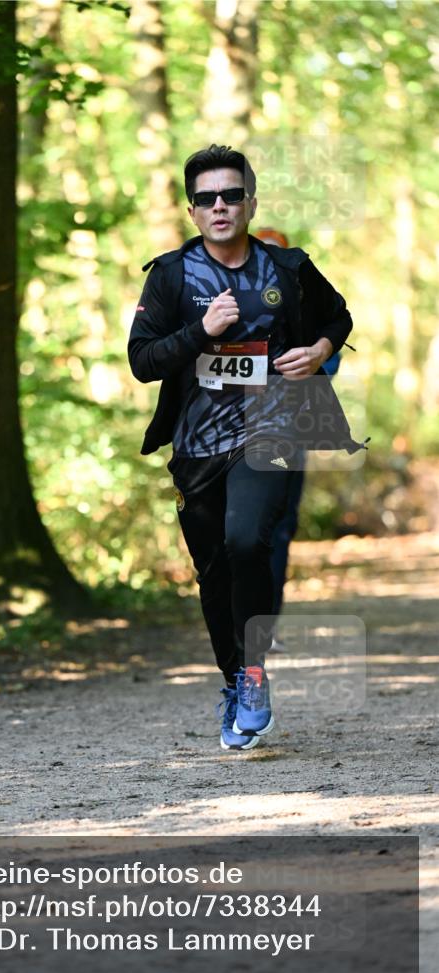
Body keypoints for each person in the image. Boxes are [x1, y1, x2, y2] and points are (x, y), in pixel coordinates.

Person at [128, 144, 363, 751]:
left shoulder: (287, 268)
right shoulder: (172, 276)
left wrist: (318, 353)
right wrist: (197, 333)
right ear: (192, 211)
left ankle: (254, 673)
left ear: (251, 201)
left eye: (231, 195)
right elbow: (142, 361)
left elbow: (338, 319)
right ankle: (233, 678)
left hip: (274, 427)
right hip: (198, 440)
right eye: (207, 199)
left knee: (247, 540)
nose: (220, 206)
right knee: (213, 569)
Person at [252, 228, 341, 652]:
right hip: (231, 431)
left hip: (291, 432)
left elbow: (333, 356)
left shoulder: (307, 303)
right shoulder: (229, 297)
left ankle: (264, 628)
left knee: (280, 527)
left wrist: (315, 353)